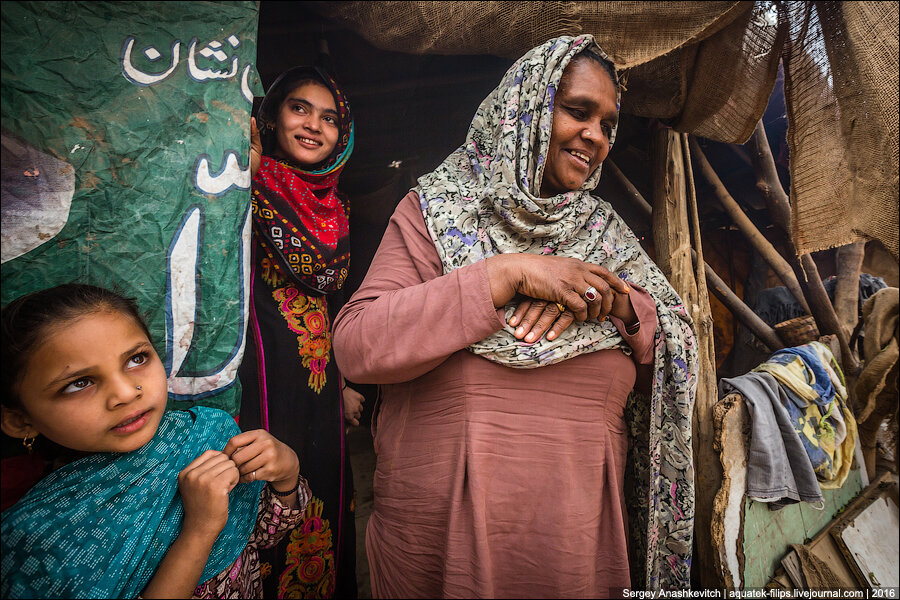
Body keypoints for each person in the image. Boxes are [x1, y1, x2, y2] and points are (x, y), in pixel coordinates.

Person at [332, 35, 698, 597]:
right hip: (444, 544)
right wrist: (503, 276)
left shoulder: (607, 237)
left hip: (577, 549)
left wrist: (622, 305)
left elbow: (673, 353)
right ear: (524, 110)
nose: (596, 138)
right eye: (578, 112)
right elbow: (358, 346)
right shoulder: (437, 210)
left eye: (607, 124)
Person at [0, 283, 309, 599]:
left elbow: (263, 535)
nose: (125, 393)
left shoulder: (204, 435)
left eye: (136, 359)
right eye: (80, 383)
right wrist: (199, 531)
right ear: (20, 420)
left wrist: (286, 473)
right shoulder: (36, 540)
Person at [241, 65, 361, 598]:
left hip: (321, 381)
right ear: (272, 117)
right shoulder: (240, 181)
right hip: (258, 375)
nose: (314, 125)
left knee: (325, 494)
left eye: (330, 117)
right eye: (299, 108)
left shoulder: (336, 208)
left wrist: (347, 380)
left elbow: (335, 298)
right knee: (262, 489)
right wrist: (244, 174)